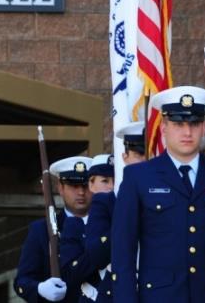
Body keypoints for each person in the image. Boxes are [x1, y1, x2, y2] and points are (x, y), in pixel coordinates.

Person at [111, 86, 205, 303]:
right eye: (178, 124)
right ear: (164, 127)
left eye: (194, 123)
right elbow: (123, 253)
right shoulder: (138, 177)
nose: (187, 132)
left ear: (204, 127)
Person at [60, 124, 146, 303]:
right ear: (91, 185)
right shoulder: (75, 224)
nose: (111, 186)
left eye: (114, 180)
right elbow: (77, 268)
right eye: (105, 181)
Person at [14, 156, 93, 302]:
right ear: (60, 188)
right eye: (74, 186)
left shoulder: (109, 226)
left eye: (86, 185)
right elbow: (22, 281)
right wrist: (40, 288)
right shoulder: (42, 230)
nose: (81, 192)